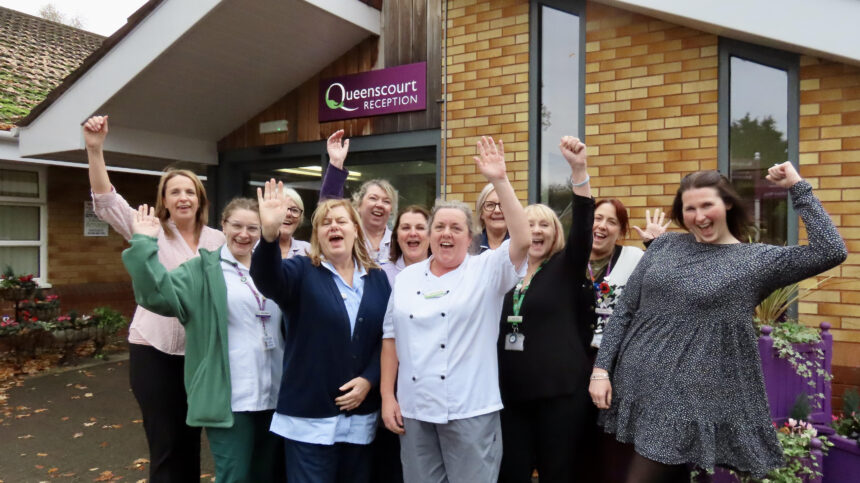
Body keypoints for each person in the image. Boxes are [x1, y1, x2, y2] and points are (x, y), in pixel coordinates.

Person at [589, 163, 847, 482]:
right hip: (636, 388)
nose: (699, 216)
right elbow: (626, 309)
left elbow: (831, 251)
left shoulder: (755, 261)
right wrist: (601, 370)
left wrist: (797, 186)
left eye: (707, 205)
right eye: (690, 208)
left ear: (726, 203)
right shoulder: (665, 245)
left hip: (686, 399)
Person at [380, 136, 530, 483]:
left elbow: (522, 240)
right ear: (431, 234)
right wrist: (388, 396)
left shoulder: (487, 269)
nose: (446, 233)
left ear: (469, 236)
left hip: (471, 409)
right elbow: (391, 339)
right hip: (415, 409)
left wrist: (500, 180)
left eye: (456, 228)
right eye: (440, 227)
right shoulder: (407, 277)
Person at [83, 115, 225, 481]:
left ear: (200, 200)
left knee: (192, 439)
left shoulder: (218, 241)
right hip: (154, 352)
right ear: (163, 199)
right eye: (174, 191)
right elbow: (106, 201)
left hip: (198, 355)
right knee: (166, 443)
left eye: (190, 191)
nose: (183, 197)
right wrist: (94, 149)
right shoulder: (148, 229)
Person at [122, 198, 285, 483]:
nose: (244, 234)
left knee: (266, 475)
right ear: (223, 226)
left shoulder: (273, 270)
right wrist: (144, 245)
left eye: (252, 228)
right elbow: (155, 295)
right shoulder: (202, 271)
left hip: (275, 394)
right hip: (230, 399)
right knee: (234, 476)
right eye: (236, 225)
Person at [250, 182, 391, 483]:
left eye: (341, 221)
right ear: (317, 236)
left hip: (360, 417)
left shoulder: (378, 280)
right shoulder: (301, 271)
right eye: (325, 223)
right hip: (309, 419)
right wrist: (269, 235)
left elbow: (388, 340)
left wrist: (370, 379)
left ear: (356, 229)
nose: (333, 227)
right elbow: (267, 278)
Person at [496, 136, 595, 483]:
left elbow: (583, 227)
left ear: (555, 234)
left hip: (560, 395)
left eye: (544, 224)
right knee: (512, 473)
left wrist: (578, 170)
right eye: (528, 224)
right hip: (511, 395)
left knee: (558, 473)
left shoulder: (565, 268)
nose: (536, 231)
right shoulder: (501, 270)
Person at [589, 201, 670, 349]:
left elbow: (667, 286)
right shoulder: (569, 261)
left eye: (612, 222)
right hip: (576, 356)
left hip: (619, 354)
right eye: (598, 218)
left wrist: (655, 246)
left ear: (621, 231)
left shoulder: (634, 258)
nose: (602, 226)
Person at [320, 130, 397, 264]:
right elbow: (329, 207)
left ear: (391, 209)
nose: (379, 204)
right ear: (359, 205)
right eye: (373, 198)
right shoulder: (346, 236)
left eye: (386, 201)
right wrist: (336, 164)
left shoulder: (399, 241)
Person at [381, 205, 431, 286]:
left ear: (431, 235)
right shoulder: (382, 275)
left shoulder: (445, 273)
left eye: (420, 228)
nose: (413, 233)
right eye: (405, 228)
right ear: (396, 236)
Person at [471, 182, 509, 253]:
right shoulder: (470, 245)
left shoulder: (521, 245)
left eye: (503, 204)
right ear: (481, 213)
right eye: (490, 205)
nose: (497, 211)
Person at [279, 186, 311, 259]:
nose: (289, 214)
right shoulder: (252, 248)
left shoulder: (309, 251)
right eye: (282, 208)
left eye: (294, 210)